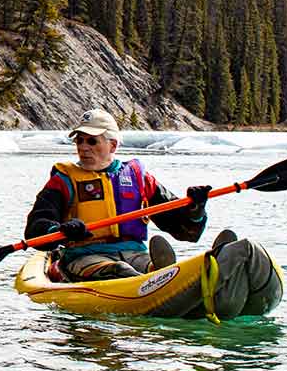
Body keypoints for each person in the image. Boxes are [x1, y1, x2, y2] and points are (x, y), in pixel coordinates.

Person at [24, 108, 212, 281]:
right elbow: (36, 226)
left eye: (91, 141)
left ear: (112, 145)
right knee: (119, 270)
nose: (83, 147)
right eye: (79, 140)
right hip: (83, 255)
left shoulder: (139, 178)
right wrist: (61, 230)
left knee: (144, 266)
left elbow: (180, 227)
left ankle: (159, 273)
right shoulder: (63, 180)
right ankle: (152, 282)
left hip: (134, 253)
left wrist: (195, 210)